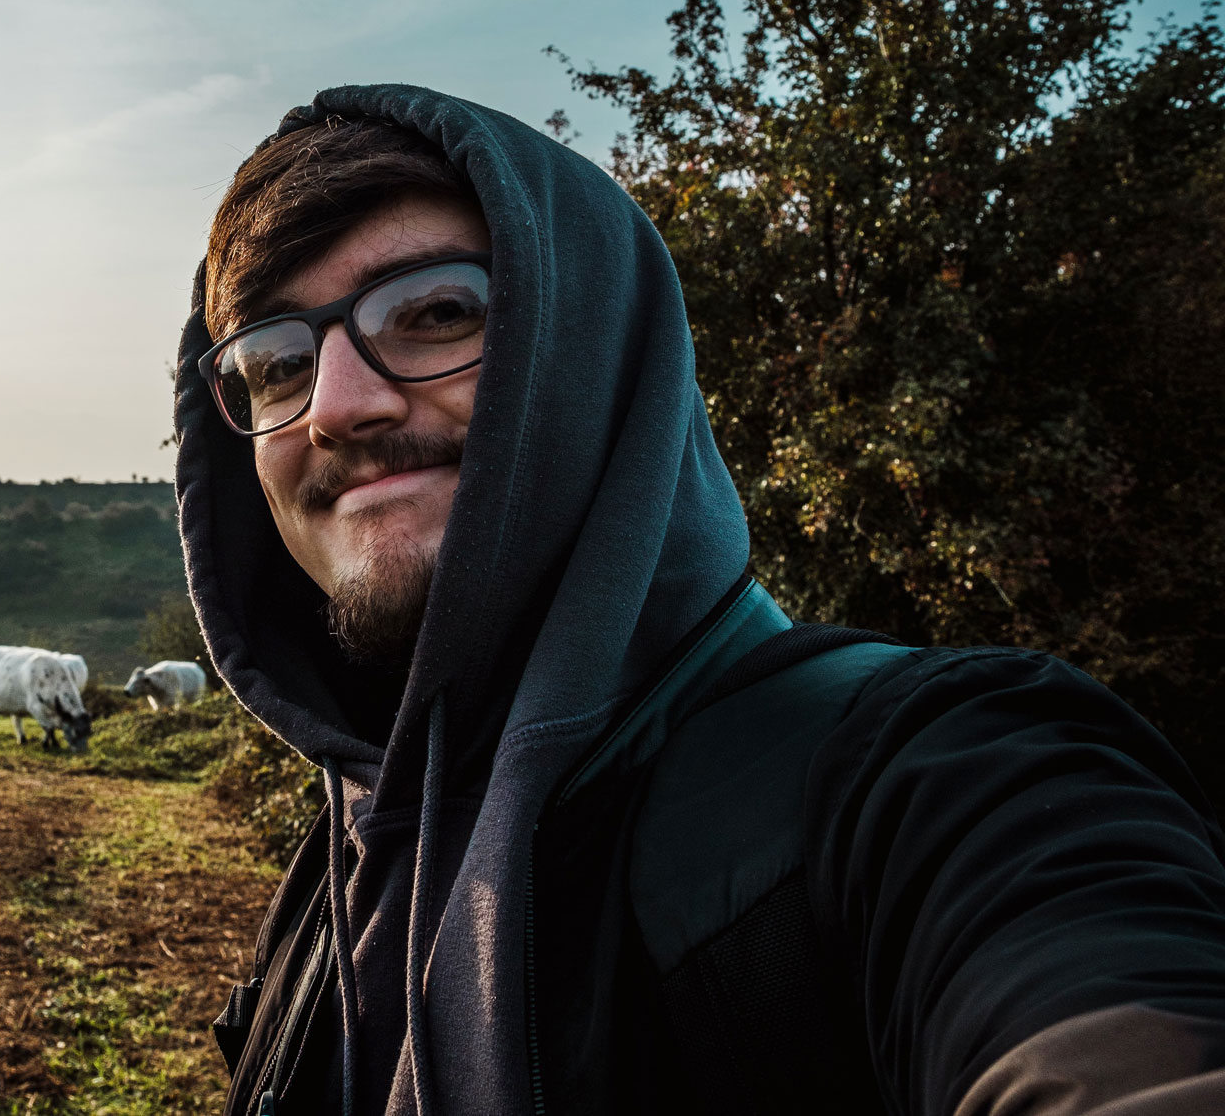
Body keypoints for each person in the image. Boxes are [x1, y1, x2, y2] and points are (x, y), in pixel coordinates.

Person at [173, 84, 1225, 1115]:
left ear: (591, 346)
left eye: (435, 311)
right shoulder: (350, 855)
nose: (337, 408)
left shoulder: (928, 780)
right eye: (273, 363)